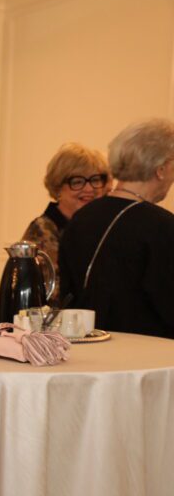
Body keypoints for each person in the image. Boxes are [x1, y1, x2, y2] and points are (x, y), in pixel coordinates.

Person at [58, 118, 174, 338]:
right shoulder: (163, 226)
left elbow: (69, 292)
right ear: (161, 169)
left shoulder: (81, 218)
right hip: (147, 358)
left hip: (87, 350)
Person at [22, 143, 110, 267]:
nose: (89, 189)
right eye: (78, 182)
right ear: (58, 188)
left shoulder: (102, 227)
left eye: (95, 180)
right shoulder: (42, 232)